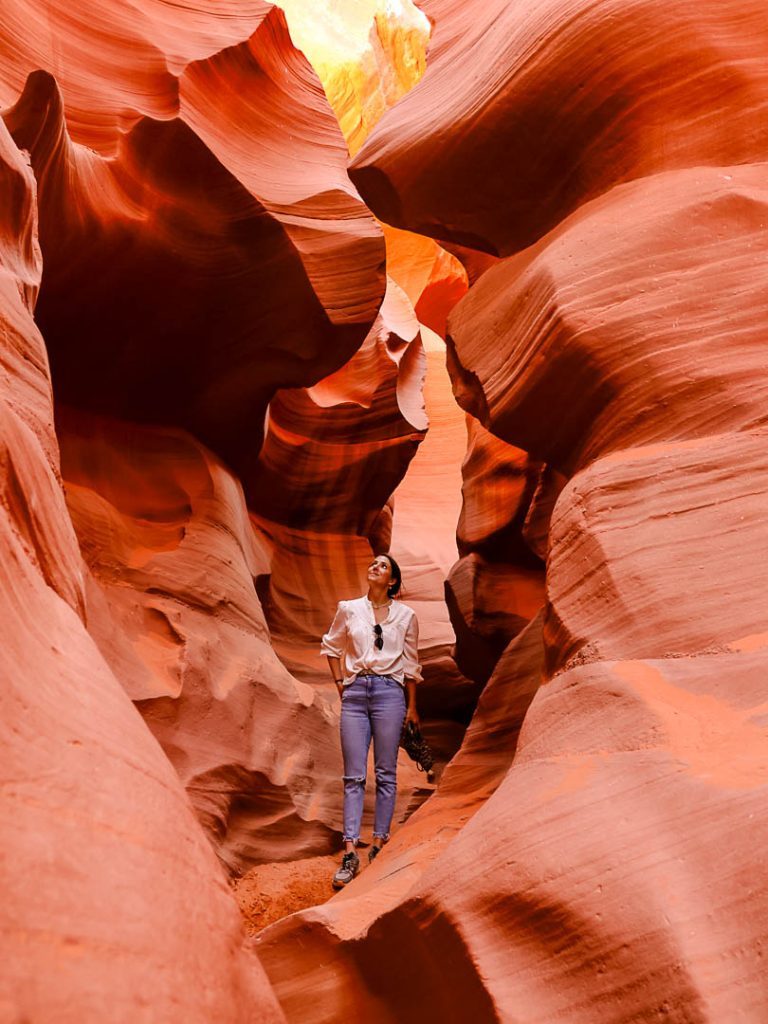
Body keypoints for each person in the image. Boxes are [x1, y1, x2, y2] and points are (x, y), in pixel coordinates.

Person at [320, 552, 422, 889]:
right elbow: (331, 647)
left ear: (392, 581)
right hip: (355, 691)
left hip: (390, 694)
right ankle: (350, 852)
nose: (374, 567)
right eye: (373, 564)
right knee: (353, 775)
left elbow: (410, 666)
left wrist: (412, 708)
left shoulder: (406, 616)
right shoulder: (349, 608)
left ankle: (378, 846)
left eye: (383, 566)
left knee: (386, 773)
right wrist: (340, 684)